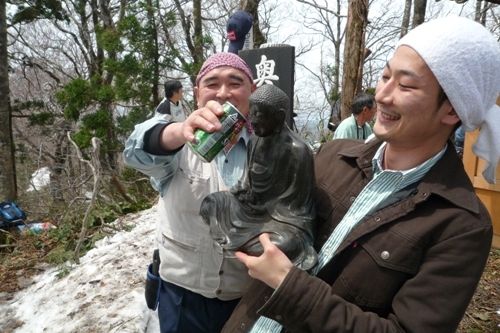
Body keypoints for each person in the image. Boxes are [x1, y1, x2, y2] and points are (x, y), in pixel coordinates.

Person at [222, 16, 499, 333]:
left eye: (406, 85)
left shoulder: (460, 223)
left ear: (452, 110)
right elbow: (264, 213)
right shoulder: (333, 156)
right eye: (385, 75)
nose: (382, 95)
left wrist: (288, 284)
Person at [123, 52, 256, 333]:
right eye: (212, 84)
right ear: (197, 94)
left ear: (252, 91)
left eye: (235, 83)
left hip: (245, 299)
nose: (223, 93)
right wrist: (178, 131)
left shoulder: (268, 151)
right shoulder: (180, 142)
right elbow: (135, 150)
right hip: (180, 296)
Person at [200, 84, 317, 271]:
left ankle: (241, 241)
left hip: (283, 220)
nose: (252, 121)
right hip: (252, 210)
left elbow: (300, 209)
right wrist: (243, 192)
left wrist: (272, 212)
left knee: (285, 245)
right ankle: (242, 240)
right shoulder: (254, 140)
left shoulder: (298, 151)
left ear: (278, 116)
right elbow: (247, 182)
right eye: (251, 113)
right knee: (211, 202)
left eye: (259, 115)